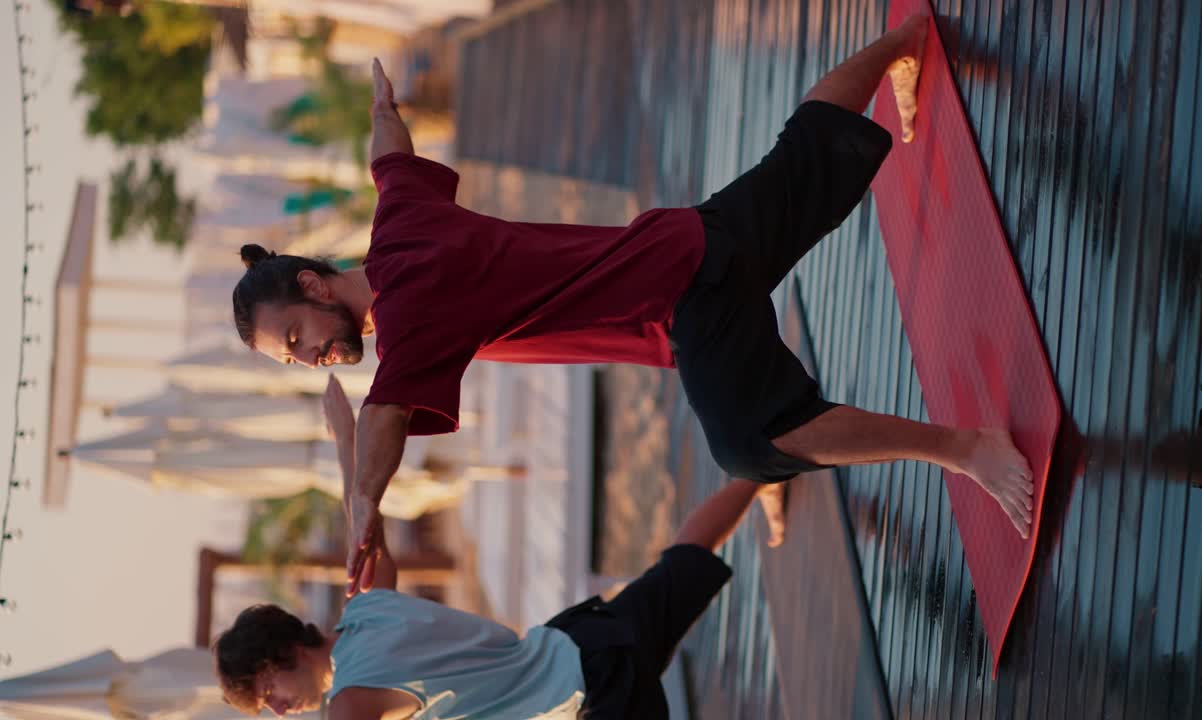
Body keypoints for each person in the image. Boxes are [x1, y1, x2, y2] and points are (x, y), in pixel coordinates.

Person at [229, 16, 1035, 594]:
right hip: (681, 247)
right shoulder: (398, 226)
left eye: (297, 336)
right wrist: (380, 104)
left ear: (313, 284)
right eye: (292, 358)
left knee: (756, 441)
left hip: (684, 293)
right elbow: (390, 156)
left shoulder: (411, 311)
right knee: (803, 156)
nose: (310, 357)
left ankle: (963, 447)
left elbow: (383, 421)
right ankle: (904, 42)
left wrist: (363, 502)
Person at [212, 374, 782, 719]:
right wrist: (343, 438)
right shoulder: (366, 608)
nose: (281, 709)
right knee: (688, 552)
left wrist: (346, 441)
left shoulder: (352, 701)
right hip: (581, 640)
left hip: (592, 699)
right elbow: (363, 521)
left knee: (688, 555)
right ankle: (770, 463)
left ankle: (772, 467)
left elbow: (362, 522)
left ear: (282, 655)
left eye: (270, 692)